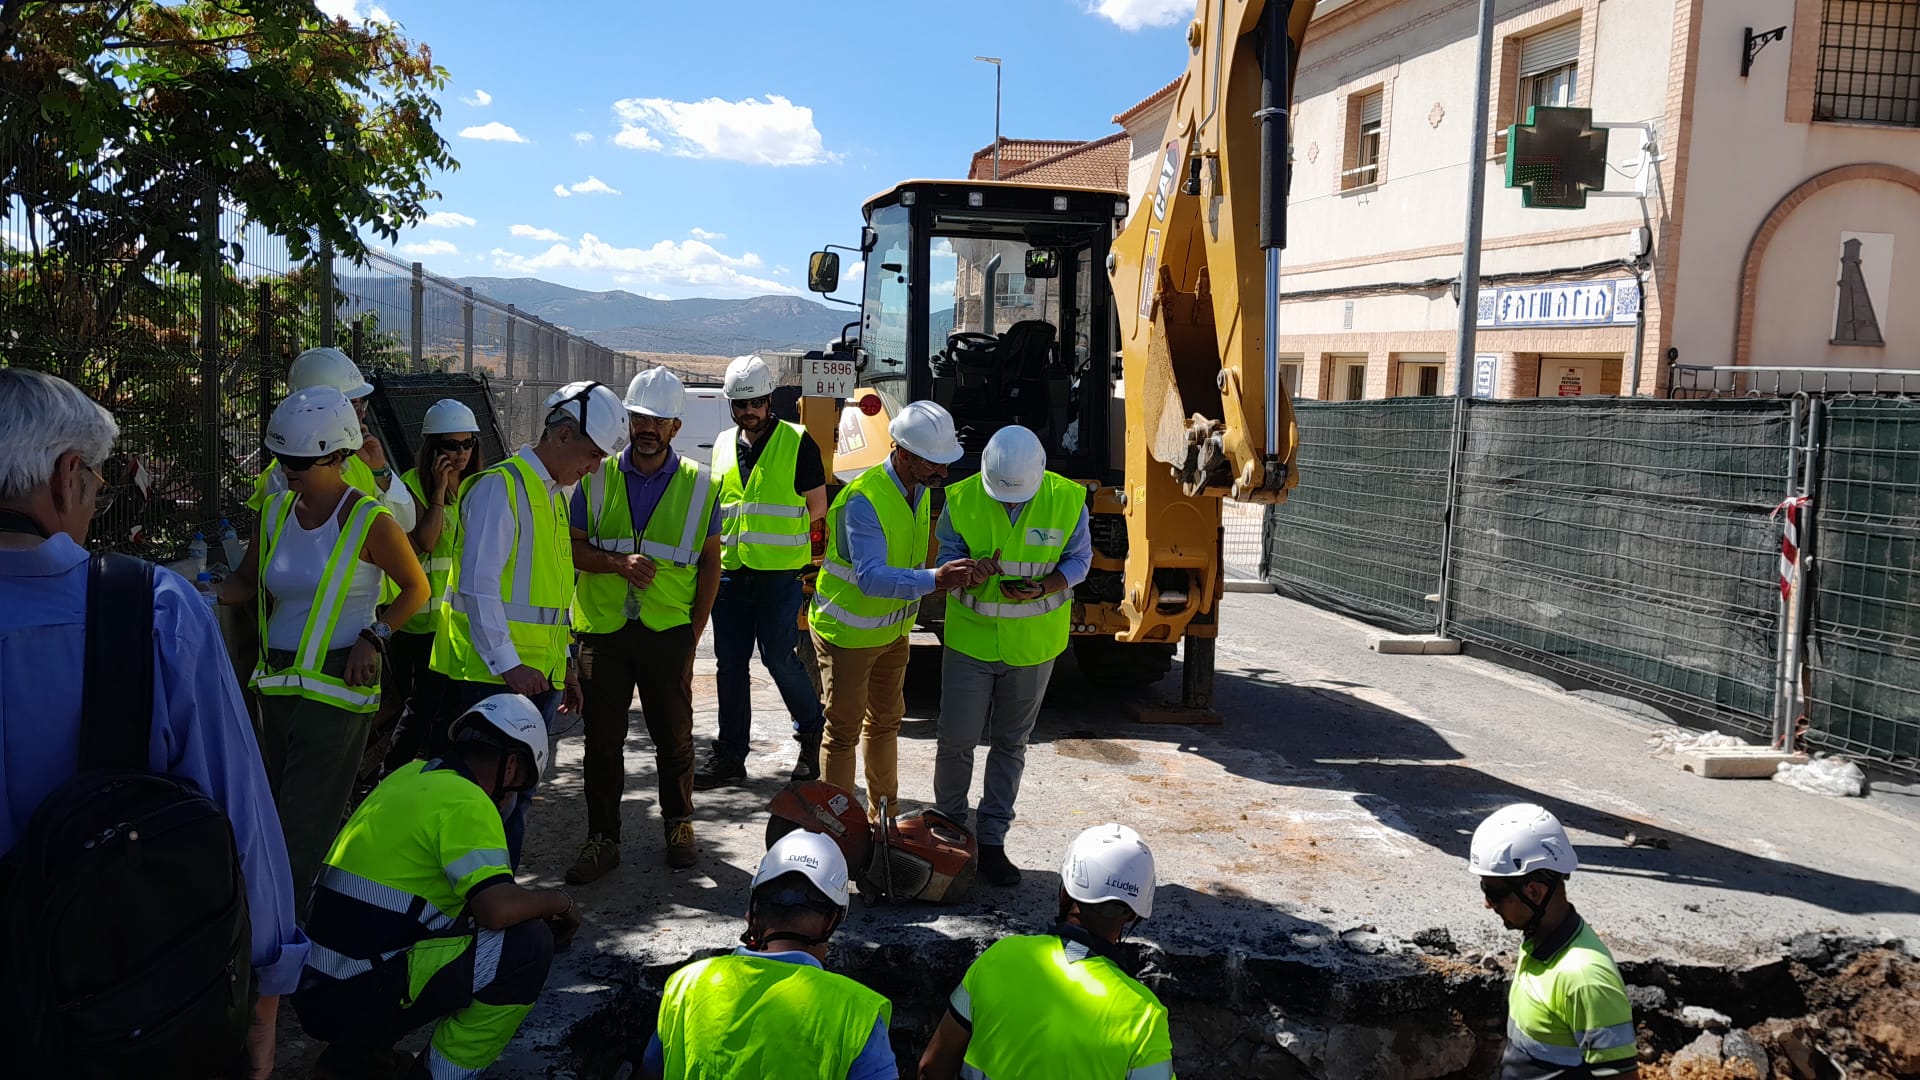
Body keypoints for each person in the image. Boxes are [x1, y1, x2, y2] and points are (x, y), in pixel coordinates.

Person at [0, 368, 309, 1079]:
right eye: (100, 483)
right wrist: (265, 991)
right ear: (66, 477)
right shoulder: (150, 613)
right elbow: (238, 811)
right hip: (116, 1005)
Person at [293, 694, 582, 1080]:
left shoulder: (408, 777)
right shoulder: (468, 801)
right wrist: (559, 903)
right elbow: (495, 910)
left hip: (317, 988)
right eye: (520, 786)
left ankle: (356, 1057)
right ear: (513, 766)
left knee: (446, 921)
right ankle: (437, 1074)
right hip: (355, 992)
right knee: (528, 945)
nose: (513, 798)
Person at [223, 386, 430, 917]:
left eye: (302, 462)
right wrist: (194, 595)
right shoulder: (272, 513)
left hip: (339, 689)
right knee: (269, 816)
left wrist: (375, 635)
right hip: (276, 692)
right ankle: (288, 931)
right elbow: (247, 581)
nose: (289, 470)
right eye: (283, 459)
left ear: (338, 457)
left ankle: (277, 949)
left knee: (299, 829)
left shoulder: (369, 519)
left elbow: (416, 590)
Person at [430, 379, 630, 870]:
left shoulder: (552, 495)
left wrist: (563, 667)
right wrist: (509, 664)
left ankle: (495, 905)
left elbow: (547, 596)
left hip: (531, 678)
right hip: (490, 680)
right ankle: (477, 913)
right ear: (562, 435)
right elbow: (479, 587)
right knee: (484, 805)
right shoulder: (502, 488)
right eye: (591, 453)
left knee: (514, 801)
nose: (594, 467)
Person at [566, 367, 722, 880]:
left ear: (676, 426)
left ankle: (679, 824)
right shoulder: (597, 476)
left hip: (667, 633)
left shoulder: (701, 486)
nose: (647, 428)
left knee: (675, 737)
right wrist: (617, 564)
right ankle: (601, 838)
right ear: (628, 421)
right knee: (602, 742)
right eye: (639, 418)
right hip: (603, 632)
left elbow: (709, 565)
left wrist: (693, 633)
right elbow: (573, 548)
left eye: (658, 420)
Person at [932, 425, 1092, 886]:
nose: (1007, 503)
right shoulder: (962, 498)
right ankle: (950, 831)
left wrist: (1046, 586)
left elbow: (1079, 560)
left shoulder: (1067, 498)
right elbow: (948, 555)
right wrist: (966, 572)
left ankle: (992, 841)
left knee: (1010, 745)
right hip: (970, 641)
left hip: (1032, 646)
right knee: (955, 742)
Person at [809, 400, 975, 821]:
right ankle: (837, 827)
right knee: (843, 732)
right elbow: (871, 578)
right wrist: (936, 580)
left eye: (944, 463)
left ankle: (883, 815)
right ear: (902, 453)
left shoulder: (917, 489)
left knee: (885, 724)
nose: (943, 472)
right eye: (933, 463)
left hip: (892, 632)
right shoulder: (864, 499)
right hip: (847, 634)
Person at [919, 823, 1174, 1080]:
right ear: (1133, 914)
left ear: (1065, 890)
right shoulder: (1145, 1017)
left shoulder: (998, 958)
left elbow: (930, 1069)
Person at [643, 830, 895, 1080]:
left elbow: (651, 1071)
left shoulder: (685, 986)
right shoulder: (856, 1014)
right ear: (832, 921)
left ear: (751, 916)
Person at [695, 354, 829, 789]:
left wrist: (803, 565)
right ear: (731, 405)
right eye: (739, 404)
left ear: (770, 401)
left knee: (778, 659)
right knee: (729, 665)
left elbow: (817, 508)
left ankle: (811, 734)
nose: (748, 411)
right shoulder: (719, 445)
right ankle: (731, 755)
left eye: (755, 402)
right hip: (732, 575)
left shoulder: (797, 441)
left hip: (779, 576)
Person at [1470, 803, 1639, 1079]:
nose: (1487, 903)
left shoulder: (1585, 978)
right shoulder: (1537, 942)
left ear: (1534, 892)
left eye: (1494, 892)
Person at [380, 398, 486, 773]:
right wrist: (439, 492)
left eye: (467, 443)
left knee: (451, 706)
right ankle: (389, 776)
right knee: (422, 707)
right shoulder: (410, 486)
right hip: (420, 621)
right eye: (449, 445)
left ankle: (433, 775)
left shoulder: (478, 486)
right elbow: (426, 541)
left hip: (456, 620)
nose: (459, 454)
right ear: (431, 448)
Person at [248, 346, 416, 534]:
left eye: (361, 403)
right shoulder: (284, 475)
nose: (362, 413)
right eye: (352, 404)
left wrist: (380, 469)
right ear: (313, 410)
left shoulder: (362, 459)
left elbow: (406, 522)